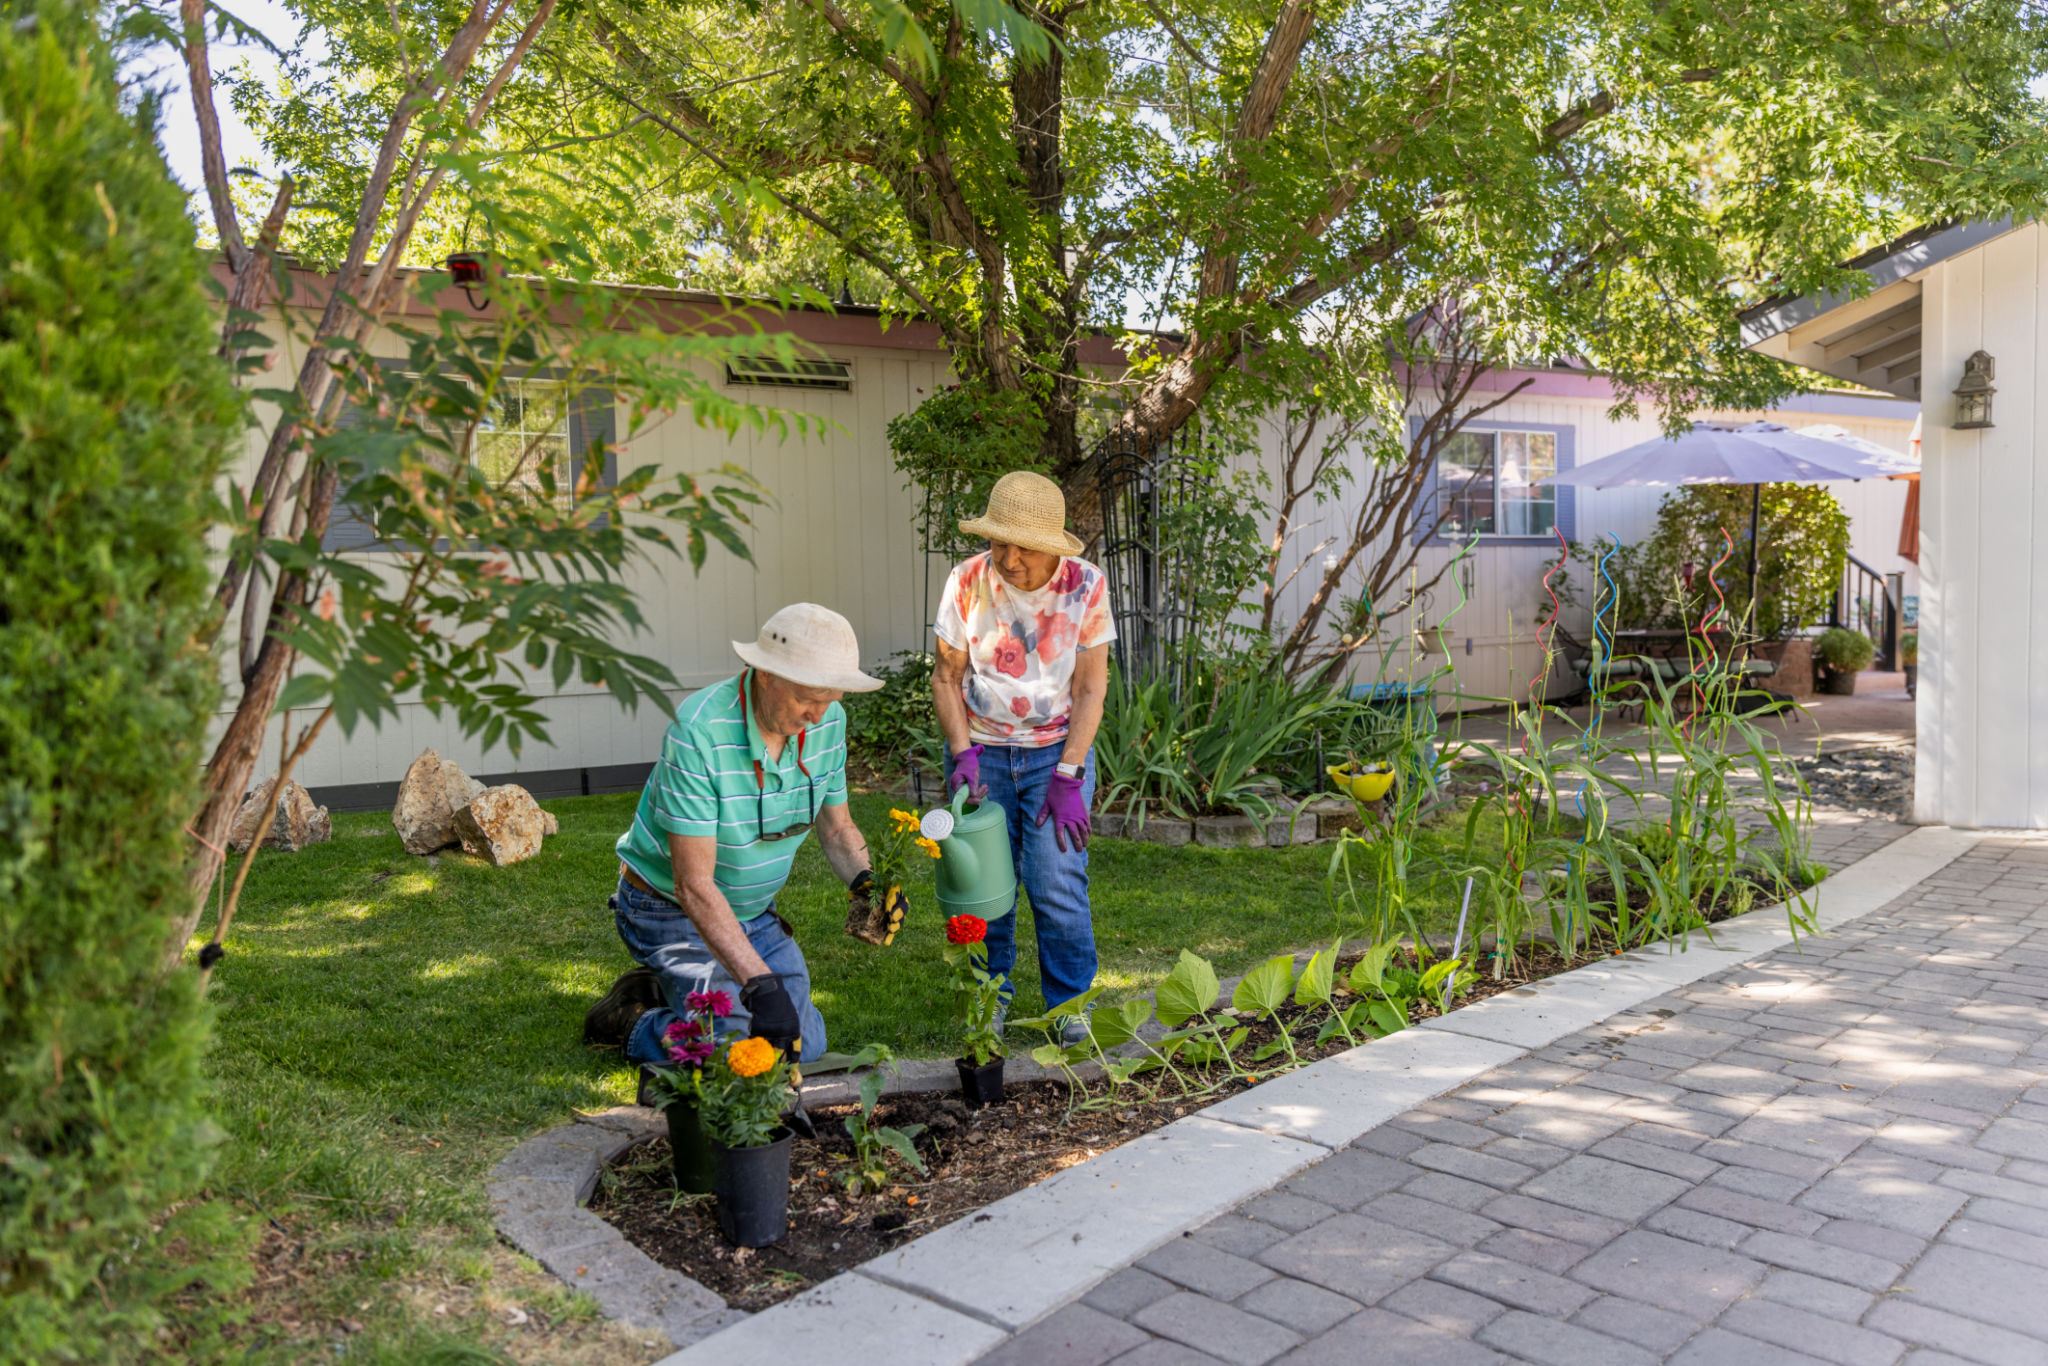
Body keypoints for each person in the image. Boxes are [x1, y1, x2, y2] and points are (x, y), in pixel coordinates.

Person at [583, 603, 896, 1074]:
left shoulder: (828, 721)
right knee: (735, 1048)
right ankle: (631, 1020)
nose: (819, 714)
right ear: (765, 674)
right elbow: (692, 885)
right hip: (668, 908)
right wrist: (761, 985)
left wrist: (866, 883)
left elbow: (837, 827)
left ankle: (675, 994)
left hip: (750, 913)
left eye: (832, 698)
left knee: (801, 1044)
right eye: (809, 697)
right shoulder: (699, 731)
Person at [932, 471, 1114, 1045]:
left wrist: (1069, 774)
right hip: (981, 752)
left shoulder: (1085, 585)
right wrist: (962, 753)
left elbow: (1090, 688)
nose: (1009, 559)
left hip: (1054, 757)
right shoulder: (966, 580)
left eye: (1024, 547)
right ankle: (990, 999)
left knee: (1055, 880)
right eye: (999, 542)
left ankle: (1070, 1007)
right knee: (985, 886)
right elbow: (946, 675)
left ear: (1052, 545)